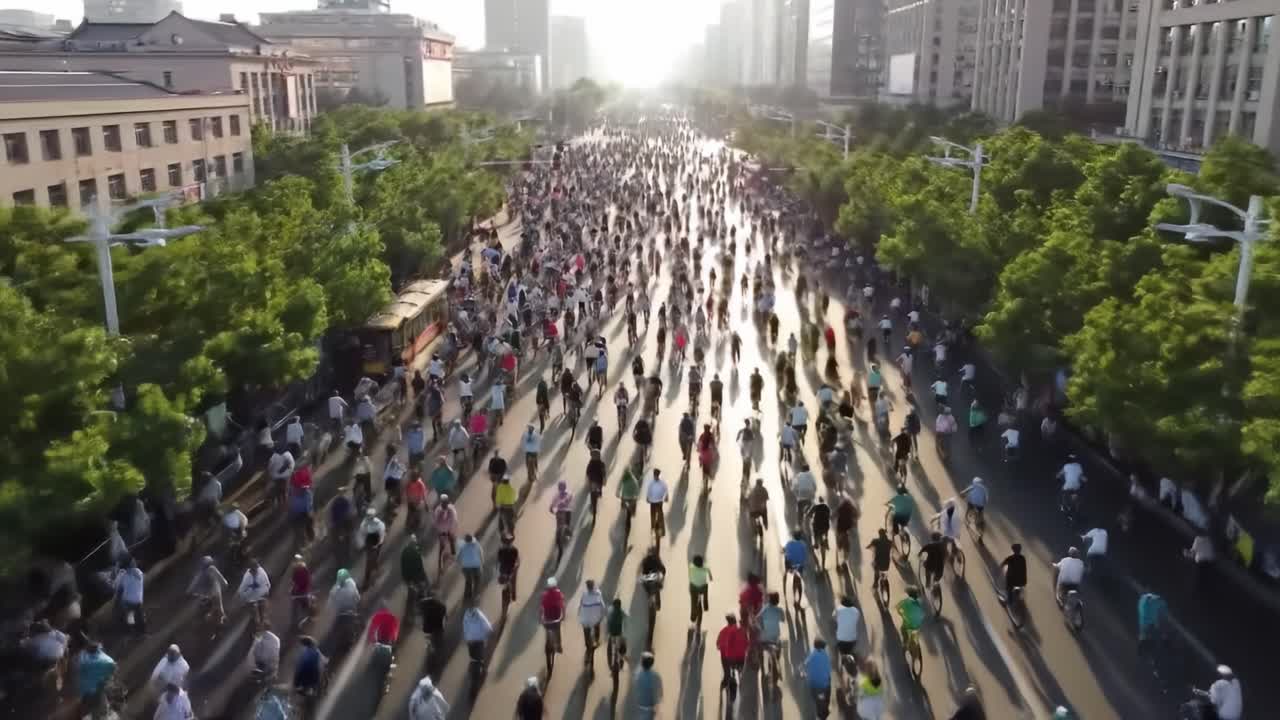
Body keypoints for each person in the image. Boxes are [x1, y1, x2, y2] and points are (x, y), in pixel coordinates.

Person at [716, 614, 749, 688]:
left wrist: (721, 647)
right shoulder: (741, 630)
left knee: (726, 668)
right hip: (741, 657)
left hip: (729, 658)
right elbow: (747, 644)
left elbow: (718, 644)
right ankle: (742, 677)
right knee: (741, 667)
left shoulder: (723, 631)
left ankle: (726, 679)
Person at [114, 556, 146, 632]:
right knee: (138, 614)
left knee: (130, 615)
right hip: (137, 600)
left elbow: (118, 588)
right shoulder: (138, 572)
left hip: (128, 601)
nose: (135, 562)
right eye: (133, 561)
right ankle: (141, 629)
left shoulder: (123, 576)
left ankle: (132, 629)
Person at [578, 579, 607, 649]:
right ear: (593, 586)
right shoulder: (598, 593)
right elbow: (603, 606)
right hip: (595, 618)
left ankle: (587, 643)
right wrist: (602, 615)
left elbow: (580, 605)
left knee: (586, 628)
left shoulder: (584, 594)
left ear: (587, 587)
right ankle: (597, 640)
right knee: (597, 625)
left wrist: (579, 613)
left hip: (586, 619)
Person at [634, 652, 664, 718]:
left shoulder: (638, 674)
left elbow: (635, 689)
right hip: (650, 707)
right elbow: (660, 692)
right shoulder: (656, 675)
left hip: (640, 706)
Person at [540, 577, 566, 653]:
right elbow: (562, 605)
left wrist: (541, 617)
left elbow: (542, 607)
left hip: (547, 616)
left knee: (547, 628)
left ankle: (548, 639)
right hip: (556, 616)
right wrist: (563, 615)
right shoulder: (558, 593)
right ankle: (559, 646)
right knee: (557, 630)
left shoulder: (544, 595)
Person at [833, 596, 861, 661]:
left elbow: (834, 617)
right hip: (853, 639)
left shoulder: (838, 609)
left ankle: (840, 661)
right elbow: (856, 620)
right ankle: (851, 657)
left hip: (841, 639)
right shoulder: (856, 610)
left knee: (837, 648)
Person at [458, 533, 484, 600]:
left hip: (466, 566)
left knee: (468, 581)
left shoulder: (462, 546)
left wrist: (461, 566)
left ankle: (467, 595)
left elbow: (459, 557)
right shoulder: (477, 544)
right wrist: (482, 563)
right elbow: (481, 554)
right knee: (477, 580)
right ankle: (475, 595)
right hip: (476, 565)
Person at [645, 469, 669, 533]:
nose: (655, 476)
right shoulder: (651, 483)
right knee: (653, 515)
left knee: (660, 514)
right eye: (655, 475)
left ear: (658, 475)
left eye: (656, 475)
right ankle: (653, 526)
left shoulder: (662, 483)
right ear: (654, 475)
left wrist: (666, 496)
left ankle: (659, 527)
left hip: (659, 501)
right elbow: (648, 490)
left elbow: (666, 489)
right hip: (652, 501)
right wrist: (647, 497)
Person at [689, 555, 712, 620]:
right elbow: (709, 574)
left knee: (693, 601)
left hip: (693, 587)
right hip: (702, 588)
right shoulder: (705, 567)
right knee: (705, 588)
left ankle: (693, 616)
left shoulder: (691, 566)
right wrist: (710, 578)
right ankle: (705, 605)